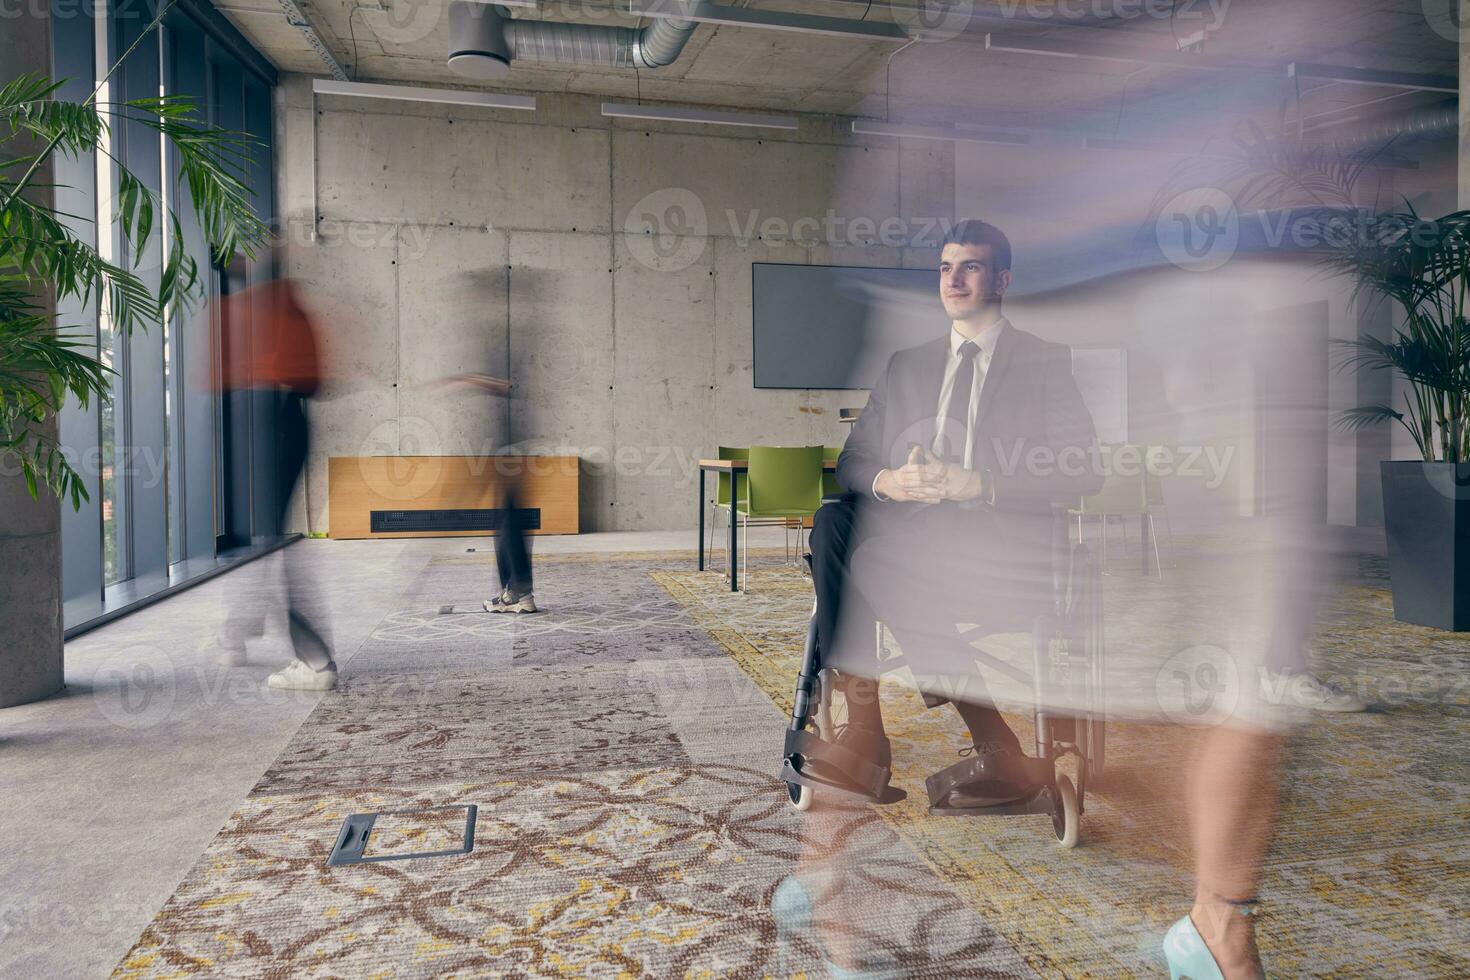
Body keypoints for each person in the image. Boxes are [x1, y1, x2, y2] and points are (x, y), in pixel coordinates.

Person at [807, 217, 1102, 803]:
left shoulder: (1045, 361)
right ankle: (865, 724)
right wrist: (890, 480)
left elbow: (1084, 468)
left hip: (999, 551)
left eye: (970, 266)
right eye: (945, 267)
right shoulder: (907, 365)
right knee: (836, 520)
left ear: (1002, 278)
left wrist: (980, 484)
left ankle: (988, 739)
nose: (954, 279)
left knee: (882, 562)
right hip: (912, 540)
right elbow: (853, 460)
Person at [209, 250, 337, 691]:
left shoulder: (242, 310)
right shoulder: (287, 306)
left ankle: (315, 660)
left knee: (267, 542)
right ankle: (237, 630)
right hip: (285, 420)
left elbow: (216, 374)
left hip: (261, 419)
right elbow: (317, 380)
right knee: (263, 539)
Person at [440, 373, 537, 614]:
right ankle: (518, 592)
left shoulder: (510, 403)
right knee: (508, 527)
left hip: (507, 464)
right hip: (508, 463)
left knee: (508, 530)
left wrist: (470, 380)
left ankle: (516, 594)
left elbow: (508, 385)